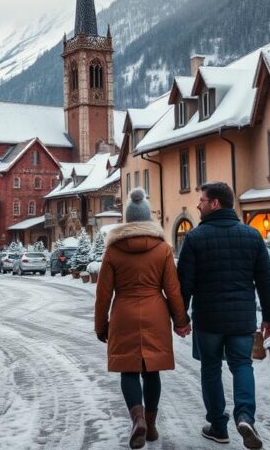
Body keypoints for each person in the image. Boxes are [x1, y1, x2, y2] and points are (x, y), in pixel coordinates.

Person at [178, 182, 270, 450]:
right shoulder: (252, 235)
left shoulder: (195, 238)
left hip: (208, 320)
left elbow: (183, 284)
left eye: (202, 200)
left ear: (215, 203)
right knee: (242, 365)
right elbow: (266, 280)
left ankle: (218, 427)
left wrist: (181, 318)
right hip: (242, 319)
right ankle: (245, 416)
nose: (198, 205)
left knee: (210, 368)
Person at [96, 188, 191, 449]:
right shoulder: (162, 249)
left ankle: (137, 418)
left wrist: (100, 324)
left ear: (127, 220)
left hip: (124, 312)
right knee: (151, 372)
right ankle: (150, 425)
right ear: (148, 218)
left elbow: (103, 293)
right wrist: (181, 320)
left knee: (128, 370)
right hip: (155, 313)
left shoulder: (113, 251)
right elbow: (173, 290)